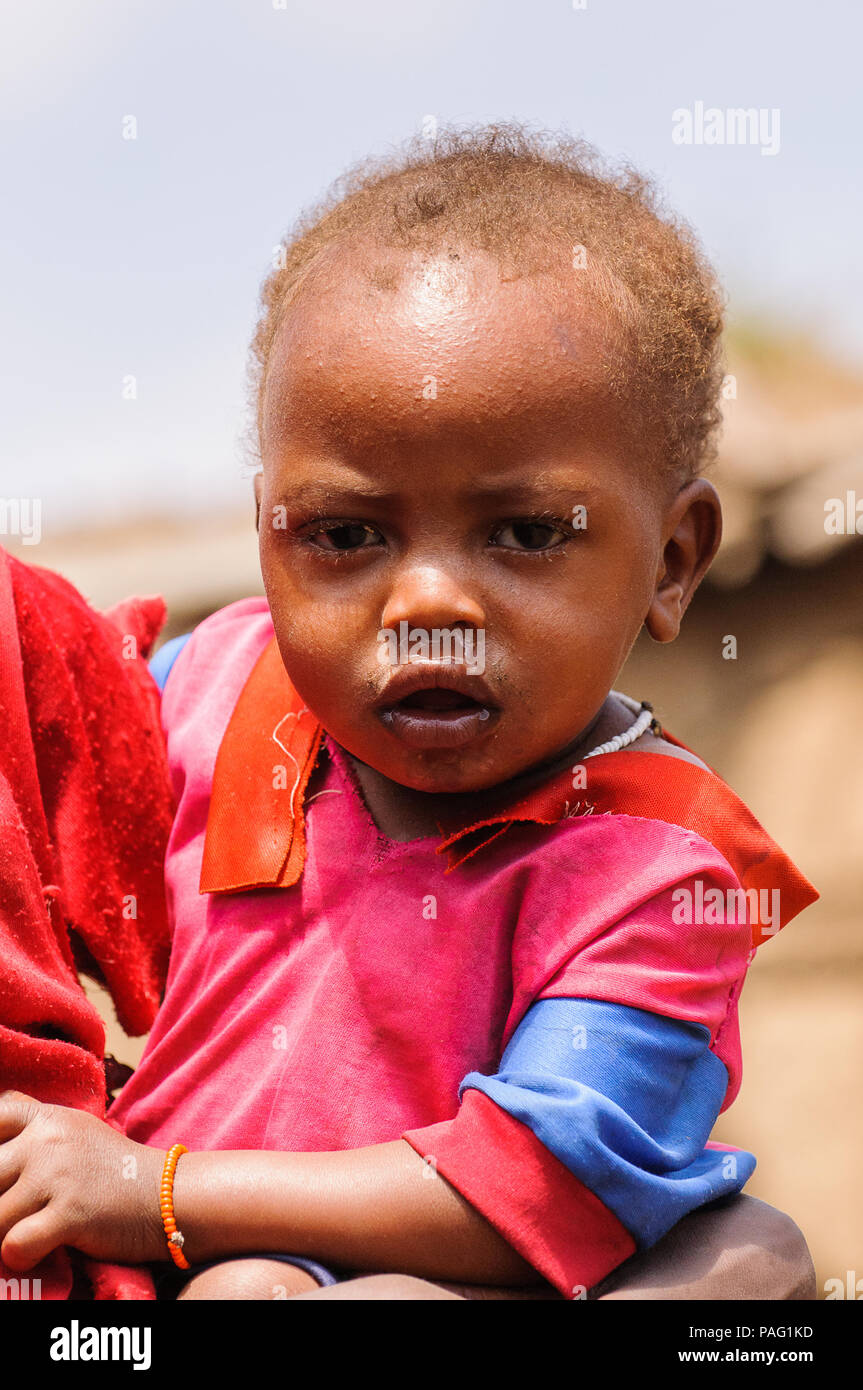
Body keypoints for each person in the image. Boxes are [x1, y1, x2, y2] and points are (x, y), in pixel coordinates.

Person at [0, 124, 817, 1300]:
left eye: (526, 532)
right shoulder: (224, 700)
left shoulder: (657, 867)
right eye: (344, 535)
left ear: (673, 561)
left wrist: (156, 1192)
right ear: (267, 538)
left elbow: (533, 1187)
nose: (426, 599)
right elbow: (51, 729)